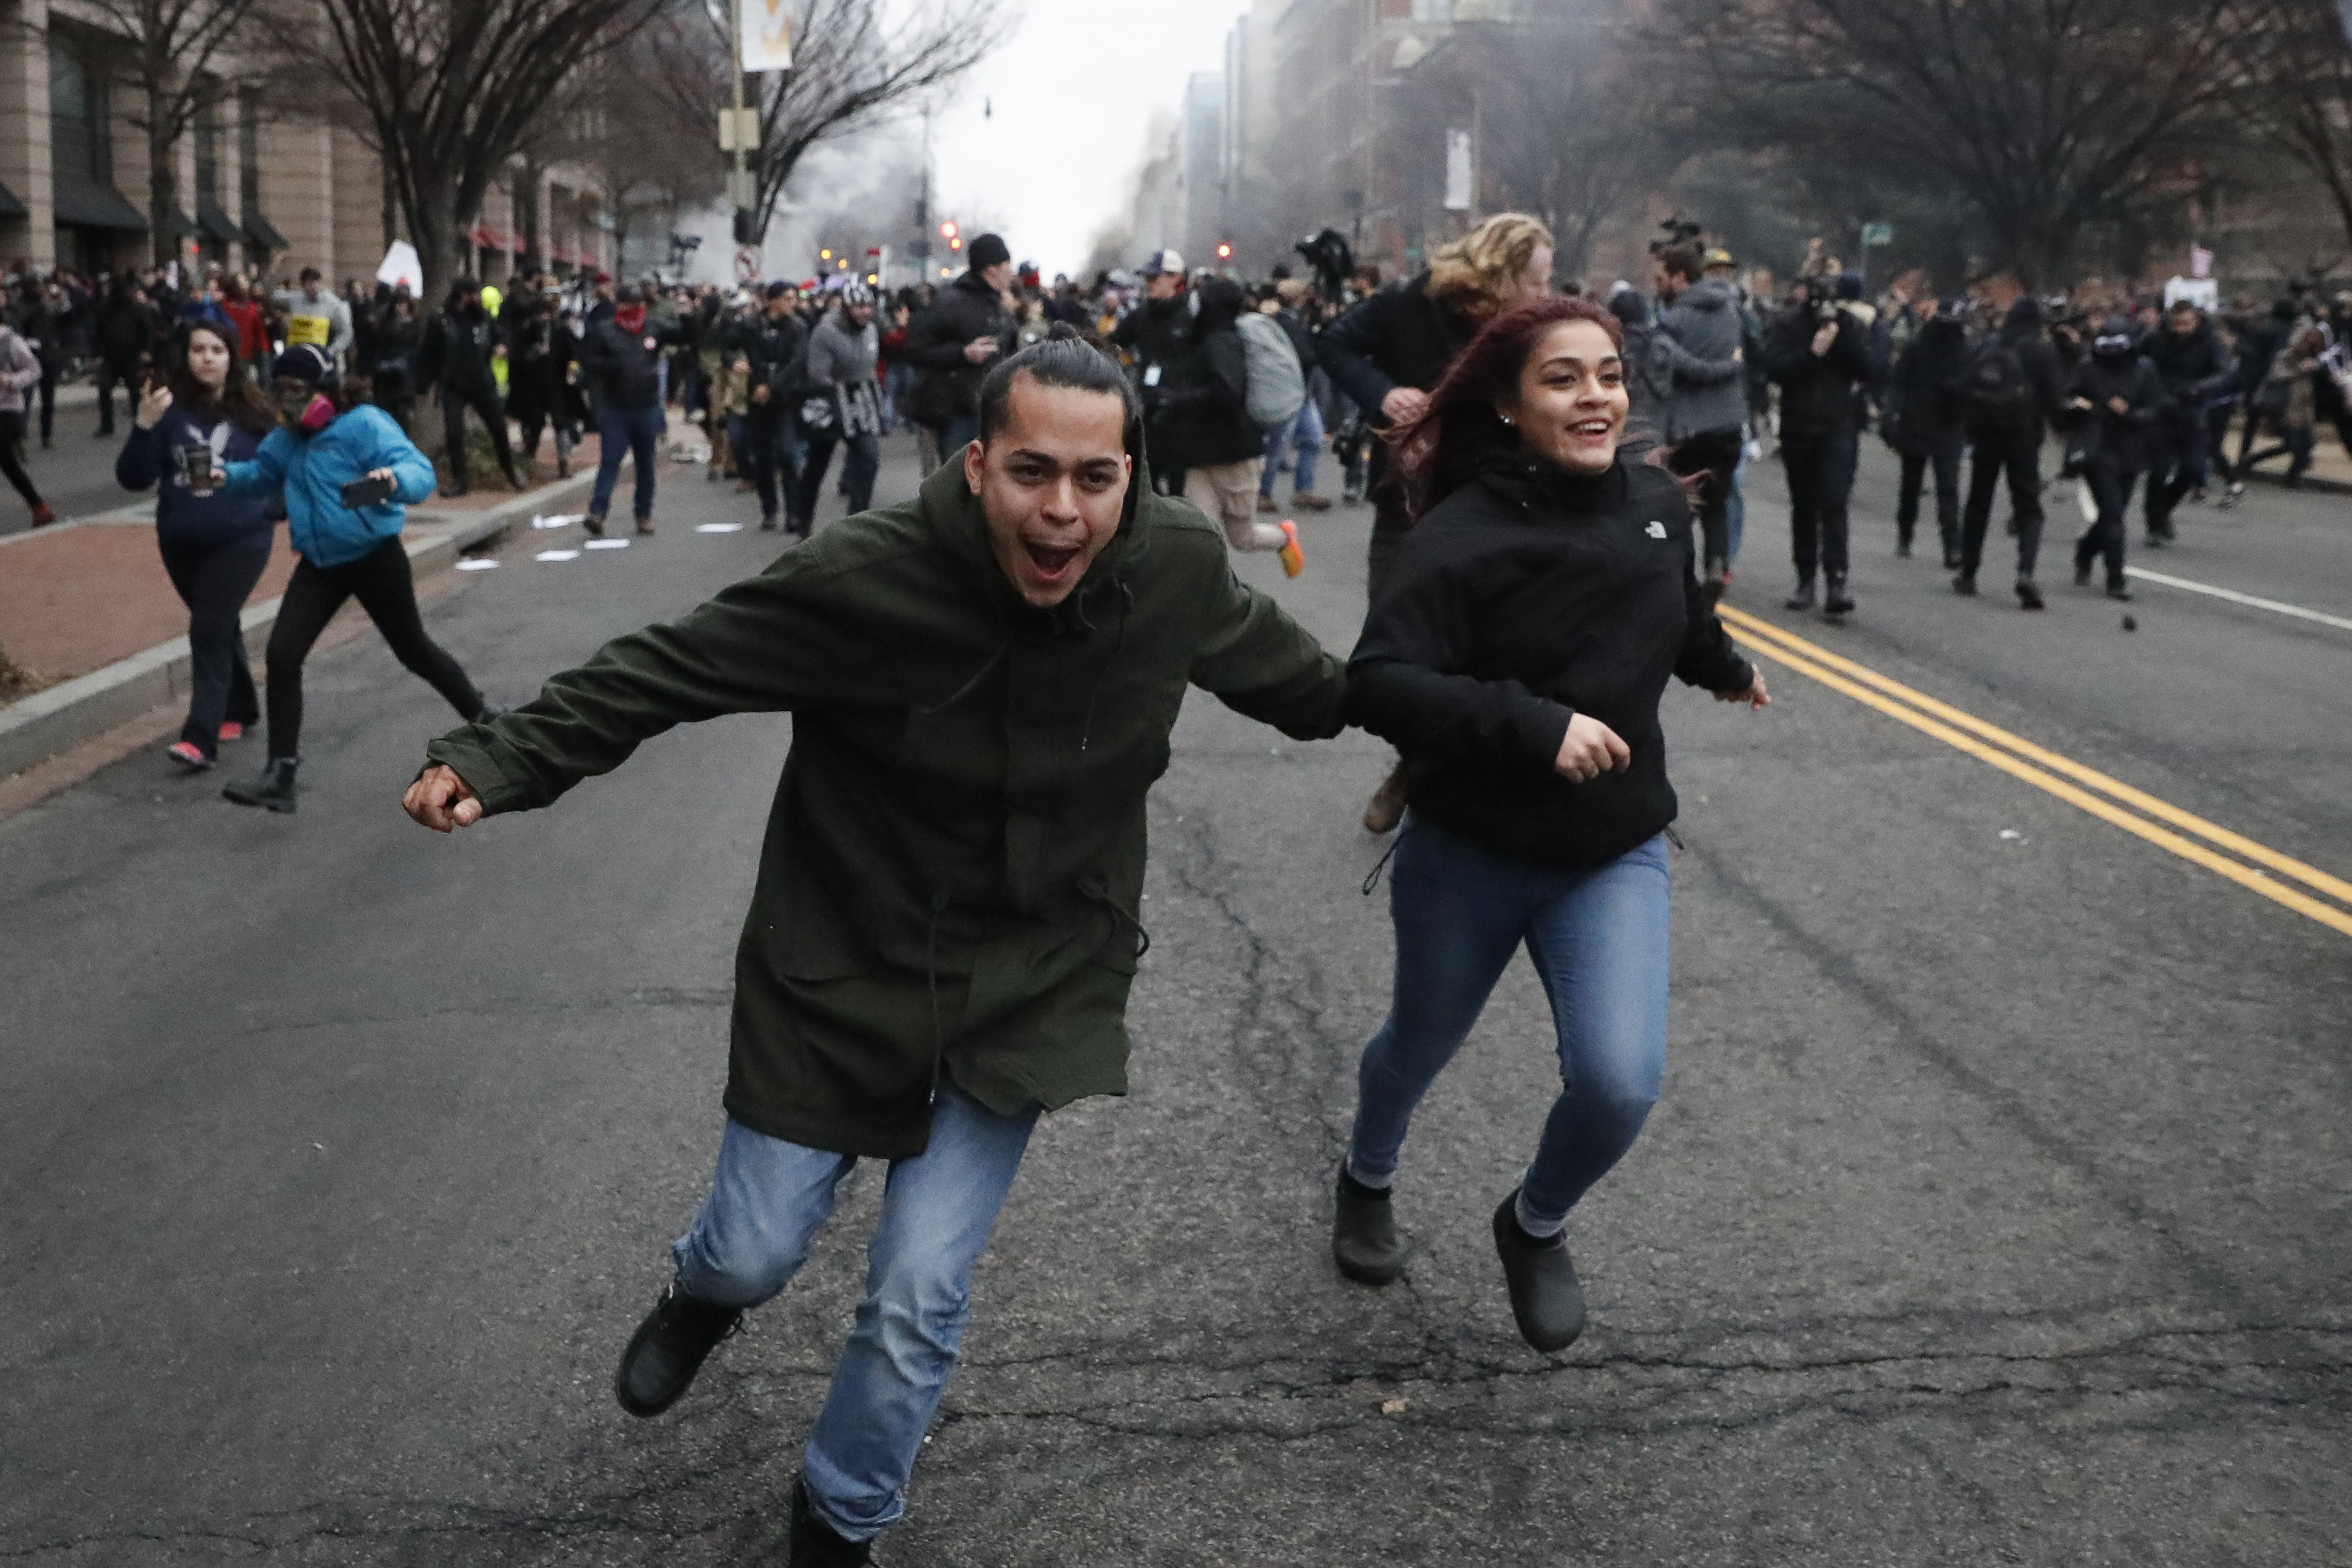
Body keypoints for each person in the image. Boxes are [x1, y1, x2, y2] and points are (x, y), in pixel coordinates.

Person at [398, 331, 1348, 1564]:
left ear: (1130, 478)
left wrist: (1483, 717)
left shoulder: (1169, 568)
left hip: (1031, 972)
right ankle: (707, 1292)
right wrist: (498, 758)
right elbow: (668, 668)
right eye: (1029, 472)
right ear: (973, 467)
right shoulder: (865, 576)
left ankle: (841, 1510)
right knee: (753, 1248)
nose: (1061, 510)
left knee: (916, 1296)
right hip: (844, 952)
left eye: (1093, 479)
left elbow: (1320, 687)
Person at [1332, 295, 1767, 1353]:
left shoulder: (1657, 502)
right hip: (1469, 850)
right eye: (1563, 379)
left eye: (1608, 375)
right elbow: (1378, 681)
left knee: (1619, 1079)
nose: (1595, 397)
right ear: (1509, 404)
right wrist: (1532, 726)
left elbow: (1674, 609)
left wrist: (1722, 669)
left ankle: (1533, 1223)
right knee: (1419, 1041)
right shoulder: (1461, 534)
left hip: (1607, 850)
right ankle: (1367, 1172)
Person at [1320, 212, 1556, 834]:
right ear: (1502, 271)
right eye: (1537, 280)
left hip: (1490, 504)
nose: (1544, 293)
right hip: (1406, 500)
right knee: (1394, 651)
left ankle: (1424, 771)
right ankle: (1419, 758)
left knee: (1480, 649)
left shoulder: (1527, 330)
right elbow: (1335, 342)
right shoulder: (1410, 300)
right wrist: (1383, 393)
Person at [211, 344, 494, 813]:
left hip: (374, 556)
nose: (289, 401)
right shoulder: (287, 439)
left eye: (298, 391)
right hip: (321, 565)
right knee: (283, 654)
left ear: (326, 390)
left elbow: (418, 471)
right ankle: (281, 774)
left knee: (413, 650)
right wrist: (221, 477)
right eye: (279, 390)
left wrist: (392, 478)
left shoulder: (362, 424)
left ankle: (484, 718)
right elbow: (261, 476)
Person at [115, 323, 277, 770]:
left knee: (208, 627)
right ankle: (243, 707)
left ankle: (199, 738)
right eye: (198, 350)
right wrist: (144, 426)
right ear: (186, 356)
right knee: (219, 625)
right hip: (181, 540)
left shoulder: (255, 412)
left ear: (232, 357)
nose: (207, 358)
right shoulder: (167, 410)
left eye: (217, 349)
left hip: (242, 537)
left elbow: (282, 468)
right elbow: (133, 479)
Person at [1158, 275, 1305, 570]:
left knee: (1243, 537)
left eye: (1201, 296)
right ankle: (1211, 601)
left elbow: (1228, 391)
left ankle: (1283, 538)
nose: (1193, 302)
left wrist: (1178, 399)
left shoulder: (1221, 341)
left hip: (1234, 455)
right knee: (1204, 539)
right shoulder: (1204, 339)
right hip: (1200, 455)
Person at [1762, 274, 1875, 616]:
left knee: (1835, 501)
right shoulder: (1788, 325)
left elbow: (1870, 368)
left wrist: (1841, 338)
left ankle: (1837, 580)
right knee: (1805, 505)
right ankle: (1806, 578)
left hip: (1837, 426)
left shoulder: (1851, 326)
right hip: (1799, 426)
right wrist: (1812, 353)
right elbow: (1776, 369)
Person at [1653, 242, 1750, 599]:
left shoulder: (1673, 319)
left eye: (1661, 277)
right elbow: (1751, 349)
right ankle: (1717, 565)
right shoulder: (1731, 311)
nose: (1657, 285)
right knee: (1718, 502)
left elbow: (1666, 365)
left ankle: (1674, 575)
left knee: (1678, 505)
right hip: (1727, 425)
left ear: (1680, 278)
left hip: (1689, 426)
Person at [1956, 297, 2064, 609]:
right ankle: (2025, 572)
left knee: (1979, 501)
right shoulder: (2042, 351)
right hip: (2023, 434)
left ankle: (1968, 570)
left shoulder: (1989, 344)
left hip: (1987, 432)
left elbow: (1965, 384)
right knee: (2028, 505)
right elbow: (2054, 399)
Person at [2059, 317, 2163, 602]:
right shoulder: (2087, 368)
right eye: (2106, 348)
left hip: (2131, 449)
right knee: (2114, 513)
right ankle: (2116, 577)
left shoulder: (2145, 370)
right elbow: (2065, 400)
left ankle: (2087, 549)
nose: (2111, 355)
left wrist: (2129, 412)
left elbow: (2154, 410)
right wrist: (2079, 406)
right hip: (2097, 448)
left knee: (2111, 514)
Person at [900, 233, 1015, 459]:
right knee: (958, 483)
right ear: (992, 269)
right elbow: (916, 351)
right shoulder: (949, 303)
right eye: (1007, 265)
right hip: (956, 413)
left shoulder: (997, 304)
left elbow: (1008, 346)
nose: (1012, 272)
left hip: (991, 409)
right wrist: (964, 354)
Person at [1882, 299, 1970, 573]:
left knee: (1938, 486)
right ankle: (1918, 536)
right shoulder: (1924, 347)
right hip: (1930, 422)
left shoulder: (1933, 346)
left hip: (1938, 423)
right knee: (1928, 485)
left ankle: (1948, 545)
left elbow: (1897, 383)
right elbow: (1898, 382)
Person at [788, 285, 883, 536]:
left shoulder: (872, 331)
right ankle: (803, 518)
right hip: (831, 402)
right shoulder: (826, 333)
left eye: (868, 307)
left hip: (861, 402)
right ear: (845, 308)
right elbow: (819, 375)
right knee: (817, 465)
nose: (864, 313)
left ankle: (857, 522)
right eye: (858, 307)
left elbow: (871, 369)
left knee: (869, 459)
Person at [579, 282, 673, 537]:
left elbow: (683, 334)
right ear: (619, 304)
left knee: (646, 465)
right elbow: (589, 362)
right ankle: (597, 513)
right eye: (628, 303)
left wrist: (688, 314)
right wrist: (613, 366)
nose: (633, 308)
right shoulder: (604, 331)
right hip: (616, 407)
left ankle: (643, 515)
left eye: (637, 303)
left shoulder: (653, 327)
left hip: (646, 405)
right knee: (610, 461)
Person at [2138, 301, 2233, 546]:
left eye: (2187, 323)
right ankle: (2154, 523)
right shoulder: (2155, 338)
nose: (2182, 328)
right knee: (2158, 470)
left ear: (2196, 321)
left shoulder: (2209, 341)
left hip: (2191, 409)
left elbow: (2223, 372)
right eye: (2177, 323)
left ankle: (2164, 509)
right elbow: (2136, 362)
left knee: (2192, 468)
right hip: (2159, 411)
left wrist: (2200, 387)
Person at [417, 276, 522, 496]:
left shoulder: (482, 319)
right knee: (455, 433)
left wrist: (503, 345)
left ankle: (510, 469)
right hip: (453, 385)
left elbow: (500, 335)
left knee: (498, 428)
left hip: (482, 383)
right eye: (474, 293)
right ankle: (460, 481)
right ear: (462, 295)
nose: (478, 298)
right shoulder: (441, 320)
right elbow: (427, 354)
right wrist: (423, 386)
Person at [734, 283, 808, 534]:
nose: (793, 303)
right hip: (757, 399)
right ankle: (769, 510)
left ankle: (794, 512)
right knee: (763, 457)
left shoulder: (797, 327)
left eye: (794, 298)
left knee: (788, 455)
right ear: (773, 301)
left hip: (785, 399)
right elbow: (726, 344)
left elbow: (796, 363)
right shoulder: (752, 325)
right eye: (787, 298)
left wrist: (772, 387)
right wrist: (736, 361)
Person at [2236, 325, 2324, 487]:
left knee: (2308, 442)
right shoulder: (2287, 355)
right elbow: (2276, 374)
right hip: (2288, 405)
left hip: (2305, 406)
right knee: (2292, 444)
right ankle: (2252, 460)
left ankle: (2293, 476)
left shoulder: (2313, 358)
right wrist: (2299, 370)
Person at [0, 312, 52, 526]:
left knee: (5, 458)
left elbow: (34, 369)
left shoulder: (9, 342)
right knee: (8, 463)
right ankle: (39, 507)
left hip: (7, 407)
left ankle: (40, 507)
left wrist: (11, 380)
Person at [276, 266, 354, 373]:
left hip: (321, 360)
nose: (312, 286)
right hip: (297, 357)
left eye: (315, 281)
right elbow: (274, 297)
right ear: (303, 285)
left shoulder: (334, 304)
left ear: (320, 282)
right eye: (308, 282)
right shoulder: (296, 300)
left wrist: (331, 352)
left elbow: (347, 332)